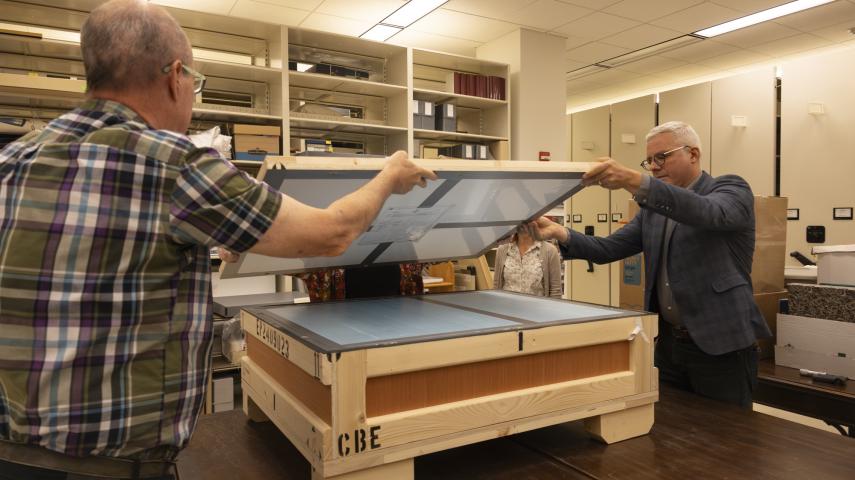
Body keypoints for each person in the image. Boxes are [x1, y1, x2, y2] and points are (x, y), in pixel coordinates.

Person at [0, 1, 436, 478]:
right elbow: (333, 233)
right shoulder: (173, 162)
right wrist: (390, 175)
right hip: (110, 467)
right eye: (195, 82)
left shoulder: (15, 158)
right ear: (174, 75)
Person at [532, 121, 770, 408]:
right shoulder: (653, 212)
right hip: (669, 346)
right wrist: (560, 233)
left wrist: (635, 181)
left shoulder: (731, 189)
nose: (654, 167)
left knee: (730, 437)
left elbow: (708, 212)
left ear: (693, 155)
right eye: (649, 161)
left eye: (662, 157)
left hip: (721, 345)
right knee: (670, 429)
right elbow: (609, 248)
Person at [493, 224, 562, 298]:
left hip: (537, 308)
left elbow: (556, 291)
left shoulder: (550, 251)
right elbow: (497, 286)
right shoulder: (502, 250)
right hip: (506, 307)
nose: (524, 224)